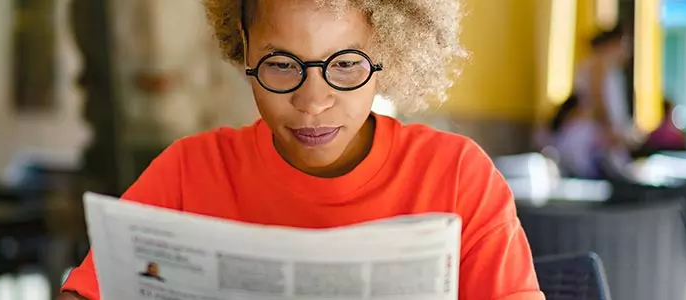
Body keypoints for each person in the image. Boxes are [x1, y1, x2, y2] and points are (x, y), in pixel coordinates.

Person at [58, 0, 542, 299]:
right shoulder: (189, 173)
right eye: (281, 64)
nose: (312, 101)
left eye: (347, 64)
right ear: (243, 47)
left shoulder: (457, 177)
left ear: (386, 51)